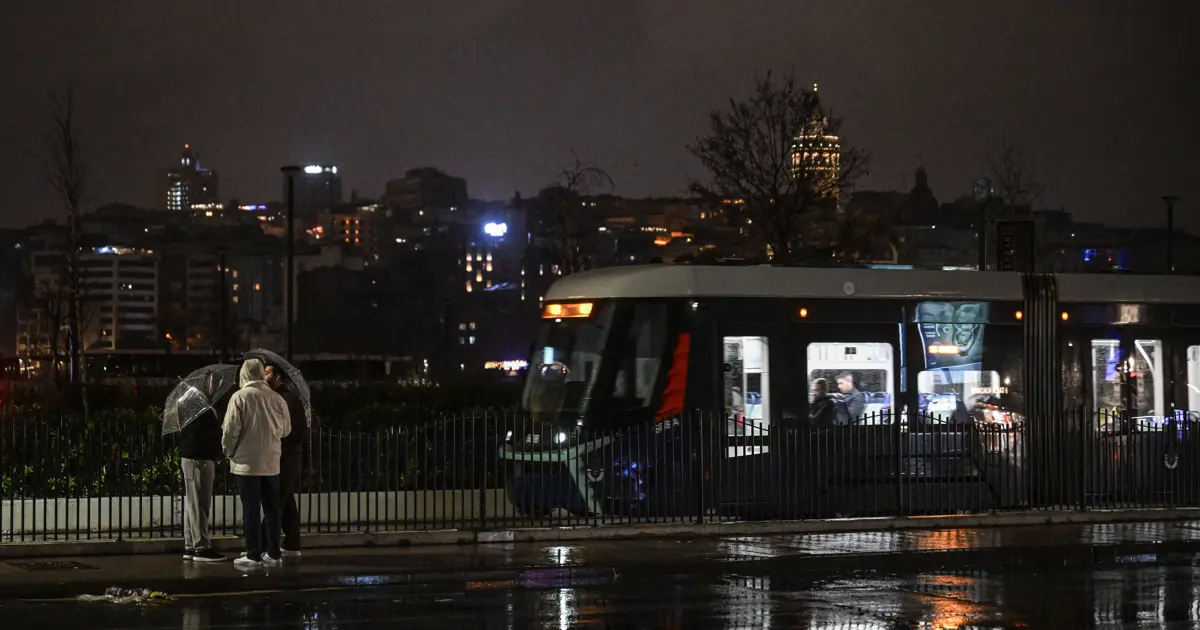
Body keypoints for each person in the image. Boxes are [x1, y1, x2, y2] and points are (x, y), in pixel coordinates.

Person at [222, 359, 291, 567]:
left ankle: (253, 553)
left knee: (250, 510)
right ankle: (273, 553)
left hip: (246, 464)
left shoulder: (239, 397)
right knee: (272, 510)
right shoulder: (277, 399)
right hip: (271, 463)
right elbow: (286, 430)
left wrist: (229, 452)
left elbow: (230, 431)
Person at [178, 371, 225, 562]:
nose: (212, 384)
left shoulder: (198, 404)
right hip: (199, 458)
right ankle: (201, 547)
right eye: (208, 380)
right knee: (200, 503)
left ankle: (191, 545)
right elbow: (202, 434)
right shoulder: (194, 405)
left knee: (194, 503)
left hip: (196, 457)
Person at [263, 361, 309, 558]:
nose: (263, 377)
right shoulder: (280, 398)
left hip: (285, 457)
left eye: (267, 373)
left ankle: (262, 543)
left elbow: (295, 432)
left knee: (276, 499)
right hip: (285, 455)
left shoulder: (287, 400)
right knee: (286, 499)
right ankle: (292, 542)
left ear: (277, 376)